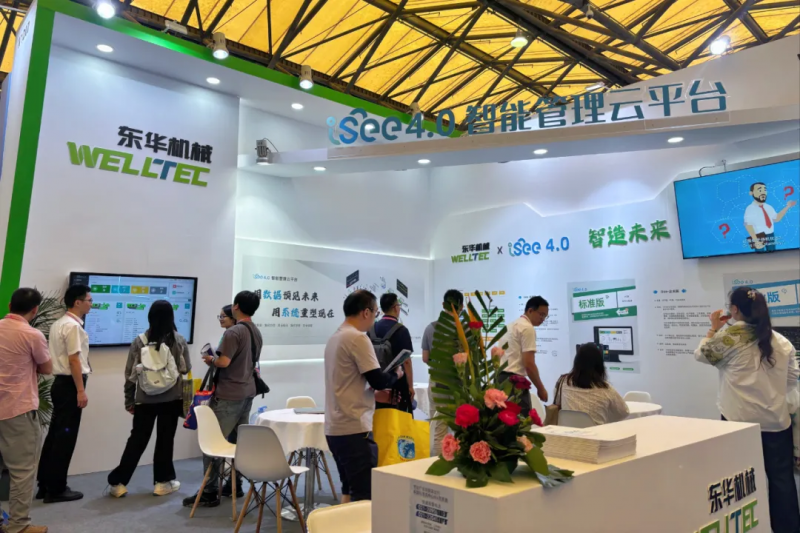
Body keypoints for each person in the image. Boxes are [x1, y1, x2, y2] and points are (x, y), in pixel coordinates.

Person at [695, 287, 800, 532]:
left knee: (739, 478)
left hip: (737, 423)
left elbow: (701, 355)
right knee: (782, 480)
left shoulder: (729, 336)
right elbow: (791, 380)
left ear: (734, 310)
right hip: (776, 422)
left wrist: (713, 328)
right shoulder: (781, 341)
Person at [183, 290, 263, 508]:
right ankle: (234, 485)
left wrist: (211, 359)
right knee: (238, 442)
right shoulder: (255, 331)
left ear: (236, 306)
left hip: (229, 395)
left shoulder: (233, 332)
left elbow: (224, 362)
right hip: (247, 392)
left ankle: (209, 491)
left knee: (213, 443)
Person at [107, 300, 191, 498]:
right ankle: (162, 482)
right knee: (165, 440)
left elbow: (130, 375)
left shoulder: (139, 341)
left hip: (144, 400)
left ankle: (119, 483)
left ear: (150, 317)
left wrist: (129, 400)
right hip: (171, 399)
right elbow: (185, 368)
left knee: (137, 440)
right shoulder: (179, 340)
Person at [324, 290, 402, 503]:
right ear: (366, 312)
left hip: (335, 427)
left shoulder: (336, 337)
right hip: (354, 428)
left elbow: (348, 383)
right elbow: (378, 380)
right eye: (376, 313)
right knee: (364, 496)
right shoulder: (358, 338)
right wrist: (396, 374)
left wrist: (374, 395)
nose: (375, 318)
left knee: (348, 490)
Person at [0, 288, 52, 533]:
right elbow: (47, 368)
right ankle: (19, 526)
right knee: (22, 471)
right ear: (35, 310)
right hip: (17, 410)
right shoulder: (32, 335)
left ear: (10, 305)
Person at [37, 284, 93, 504]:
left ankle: (45, 484)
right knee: (65, 438)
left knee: (55, 435)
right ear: (77, 302)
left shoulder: (59, 323)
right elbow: (74, 360)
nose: (91, 304)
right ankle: (57, 488)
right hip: (70, 386)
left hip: (60, 385)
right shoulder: (73, 326)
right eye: (89, 300)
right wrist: (80, 390)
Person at [422, 289, 463, 456]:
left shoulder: (430, 328)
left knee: (438, 429)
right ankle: (456, 462)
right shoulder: (463, 330)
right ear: (461, 307)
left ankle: (438, 463)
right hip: (457, 384)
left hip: (436, 382)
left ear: (443, 304)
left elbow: (425, 358)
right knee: (460, 429)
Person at [554, 344, 629, 425]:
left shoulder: (563, 382)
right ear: (599, 365)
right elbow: (624, 412)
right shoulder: (605, 389)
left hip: (567, 432)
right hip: (596, 432)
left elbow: (557, 401)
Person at [499, 296, 549, 413]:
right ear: (530, 310)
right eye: (541, 314)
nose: (543, 319)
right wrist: (541, 389)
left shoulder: (510, 326)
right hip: (514, 382)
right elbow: (529, 364)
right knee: (521, 421)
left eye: (545, 316)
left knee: (503, 420)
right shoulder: (527, 328)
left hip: (500, 380)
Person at [371, 293, 414, 413]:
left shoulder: (372, 329)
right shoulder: (402, 330)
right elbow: (407, 361)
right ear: (395, 308)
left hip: (375, 385)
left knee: (377, 419)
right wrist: (410, 386)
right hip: (397, 387)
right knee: (398, 421)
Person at [744, 182, 796, 252]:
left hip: (770, 234)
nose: (763, 193)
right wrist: (755, 239)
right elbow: (748, 225)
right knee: (760, 256)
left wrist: (788, 206)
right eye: (760, 190)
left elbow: (776, 219)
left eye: (765, 190)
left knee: (772, 254)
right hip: (758, 236)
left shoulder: (768, 207)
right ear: (751, 193)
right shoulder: (750, 208)